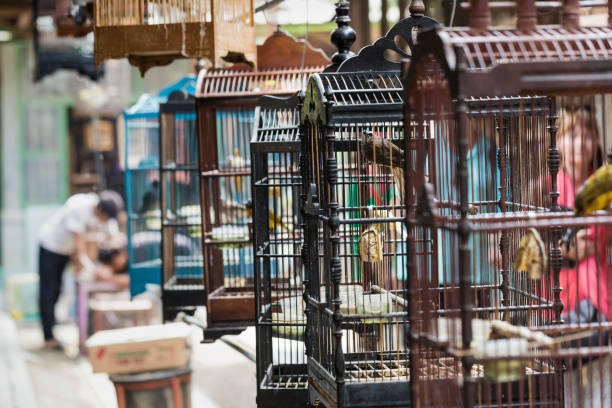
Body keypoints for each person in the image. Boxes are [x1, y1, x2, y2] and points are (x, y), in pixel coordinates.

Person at [38, 190, 124, 349]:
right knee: (50, 290)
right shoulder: (78, 206)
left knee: (60, 289)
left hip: (68, 250)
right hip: (52, 247)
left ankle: (57, 330)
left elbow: (113, 237)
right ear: (98, 209)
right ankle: (48, 337)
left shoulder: (106, 213)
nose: (104, 221)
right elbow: (80, 246)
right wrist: (92, 269)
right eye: (104, 217)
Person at [553, 109, 609, 328]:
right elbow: (528, 251)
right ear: (558, 141)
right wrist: (565, 250)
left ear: (595, 142)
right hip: (557, 294)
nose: (580, 143)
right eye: (573, 135)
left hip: (599, 290)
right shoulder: (546, 188)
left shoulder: (604, 183)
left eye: (587, 136)